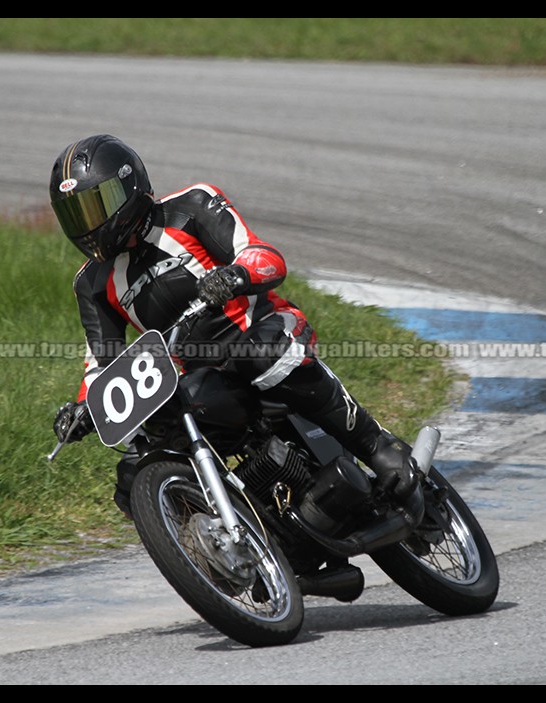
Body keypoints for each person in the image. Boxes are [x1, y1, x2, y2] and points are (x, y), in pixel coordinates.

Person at [50, 134, 423, 523]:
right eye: (77, 215)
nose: (89, 225)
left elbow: (263, 255)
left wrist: (235, 275)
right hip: (204, 376)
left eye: (97, 207)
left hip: (266, 329)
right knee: (135, 469)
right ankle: (234, 545)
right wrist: (84, 408)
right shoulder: (91, 283)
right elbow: (102, 363)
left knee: (259, 355)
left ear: (129, 186)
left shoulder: (191, 205)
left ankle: (378, 445)